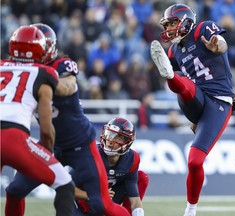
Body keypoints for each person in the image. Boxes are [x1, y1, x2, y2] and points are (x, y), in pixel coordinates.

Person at [5, 23, 130, 216]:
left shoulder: (59, 65)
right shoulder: (26, 70)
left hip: (80, 144)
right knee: (14, 190)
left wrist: (44, 81)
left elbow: (69, 85)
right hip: (51, 144)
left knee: (102, 205)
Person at [150, 4, 235, 216]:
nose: (170, 28)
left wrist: (217, 44)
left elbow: (222, 43)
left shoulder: (203, 29)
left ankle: (190, 210)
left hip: (218, 101)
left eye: (173, 23)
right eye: (168, 24)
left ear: (186, 21)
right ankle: (169, 75)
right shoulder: (173, 51)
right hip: (193, 99)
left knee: (194, 161)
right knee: (179, 80)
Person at [0, 25, 75, 216]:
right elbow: (46, 127)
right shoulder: (44, 72)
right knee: (65, 184)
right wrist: (46, 151)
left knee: (15, 191)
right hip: (13, 138)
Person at [73, 117, 149, 216]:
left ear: (127, 142)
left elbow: (134, 200)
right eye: (109, 134)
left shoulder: (131, 159)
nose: (110, 140)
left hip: (110, 201)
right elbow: (67, 189)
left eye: (117, 137)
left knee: (142, 177)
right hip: (85, 203)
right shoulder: (90, 156)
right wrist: (97, 195)